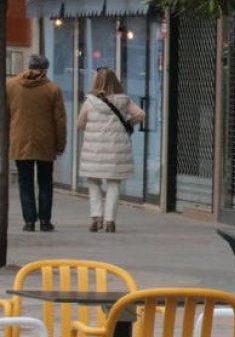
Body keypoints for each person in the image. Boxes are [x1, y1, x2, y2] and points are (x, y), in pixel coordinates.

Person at [76, 67, 145, 233]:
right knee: (114, 183)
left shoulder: (90, 102)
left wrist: (93, 128)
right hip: (116, 149)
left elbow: (80, 124)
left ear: (96, 81)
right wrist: (128, 124)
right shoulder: (123, 100)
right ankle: (110, 221)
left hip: (94, 149)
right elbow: (141, 114)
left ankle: (96, 217)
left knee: (94, 182)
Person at [7, 54, 66, 232]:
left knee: (25, 182)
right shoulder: (52, 89)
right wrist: (60, 144)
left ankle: (29, 221)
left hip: (20, 140)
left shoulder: (11, 86)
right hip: (45, 142)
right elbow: (60, 120)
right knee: (45, 181)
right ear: (45, 69)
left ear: (28, 66)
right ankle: (45, 221)